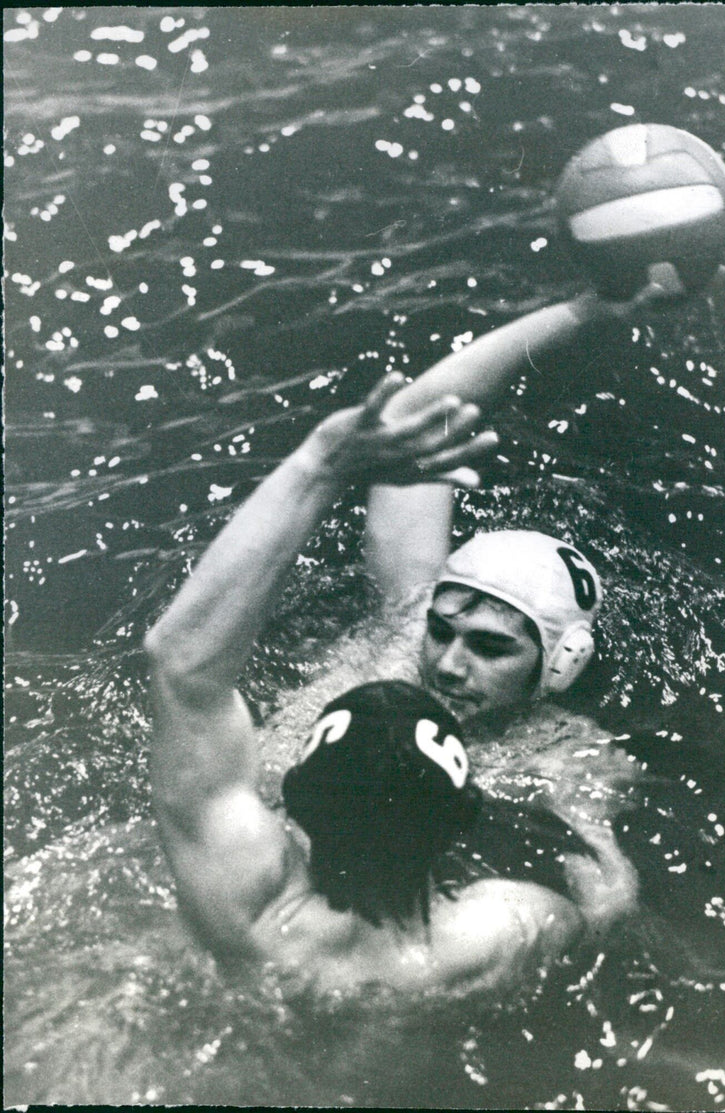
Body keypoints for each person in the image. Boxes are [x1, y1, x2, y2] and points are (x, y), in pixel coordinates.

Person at [145, 376, 636, 993]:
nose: (450, 665)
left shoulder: (251, 912)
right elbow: (596, 912)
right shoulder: (503, 929)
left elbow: (182, 666)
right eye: (441, 630)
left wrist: (319, 464)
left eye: (489, 646)